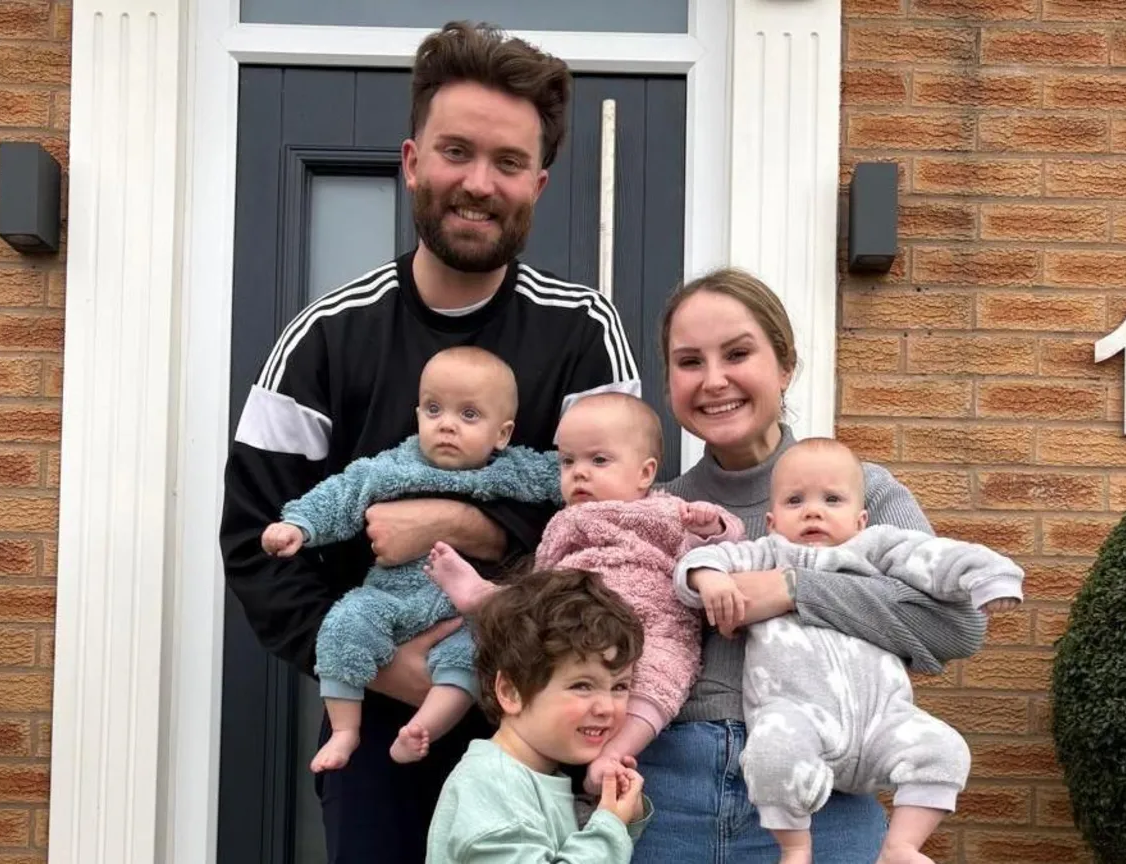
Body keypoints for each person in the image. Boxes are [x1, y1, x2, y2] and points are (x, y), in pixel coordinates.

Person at [218, 20, 639, 862]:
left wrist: (466, 527)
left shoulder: (584, 332)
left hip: (548, 742)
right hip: (380, 728)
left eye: (509, 163)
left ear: (540, 183)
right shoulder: (323, 338)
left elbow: (618, 520)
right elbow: (254, 540)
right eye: (456, 152)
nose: (479, 183)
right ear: (412, 161)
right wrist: (389, 671)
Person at [628, 268, 990, 863]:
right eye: (689, 361)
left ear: (785, 365)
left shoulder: (862, 494)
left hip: (824, 797)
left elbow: (956, 625)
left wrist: (791, 588)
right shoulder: (654, 513)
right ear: (668, 381)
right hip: (664, 797)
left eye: (738, 353)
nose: (714, 380)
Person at [674, 437, 1025, 864]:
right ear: (770, 521)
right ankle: (796, 849)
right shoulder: (767, 551)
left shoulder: (877, 547)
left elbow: (937, 560)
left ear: (861, 519)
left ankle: (901, 847)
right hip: (798, 716)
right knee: (774, 753)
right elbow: (703, 560)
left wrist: (991, 578)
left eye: (832, 500)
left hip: (883, 718)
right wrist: (710, 580)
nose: (813, 510)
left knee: (945, 749)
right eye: (795, 501)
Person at [261, 347, 562, 772]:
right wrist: (298, 526)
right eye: (434, 410)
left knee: (471, 654)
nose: (447, 426)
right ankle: (346, 729)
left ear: (503, 433)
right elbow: (340, 496)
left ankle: (423, 727)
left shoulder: (512, 471)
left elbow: (568, 476)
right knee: (346, 620)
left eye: (469, 415)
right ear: (417, 413)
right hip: (393, 598)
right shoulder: (392, 468)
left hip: (465, 609)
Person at [424, 391, 744, 790]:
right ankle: (484, 596)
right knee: (534, 635)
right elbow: (543, 577)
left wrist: (710, 524)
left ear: (645, 473)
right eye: (568, 461)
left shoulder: (664, 511)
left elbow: (725, 546)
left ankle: (612, 756)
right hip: (576, 618)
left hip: (651, 625)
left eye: (598, 460)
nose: (579, 473)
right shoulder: (564, 522)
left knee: (666, 674)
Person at [425, 567, 651, 863]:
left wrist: (621, 822)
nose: (607, 707)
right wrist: (609, 827)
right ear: (511, 692)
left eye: (620, 686)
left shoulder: (527, 777)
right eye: (582, 685)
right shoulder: (493, 785)